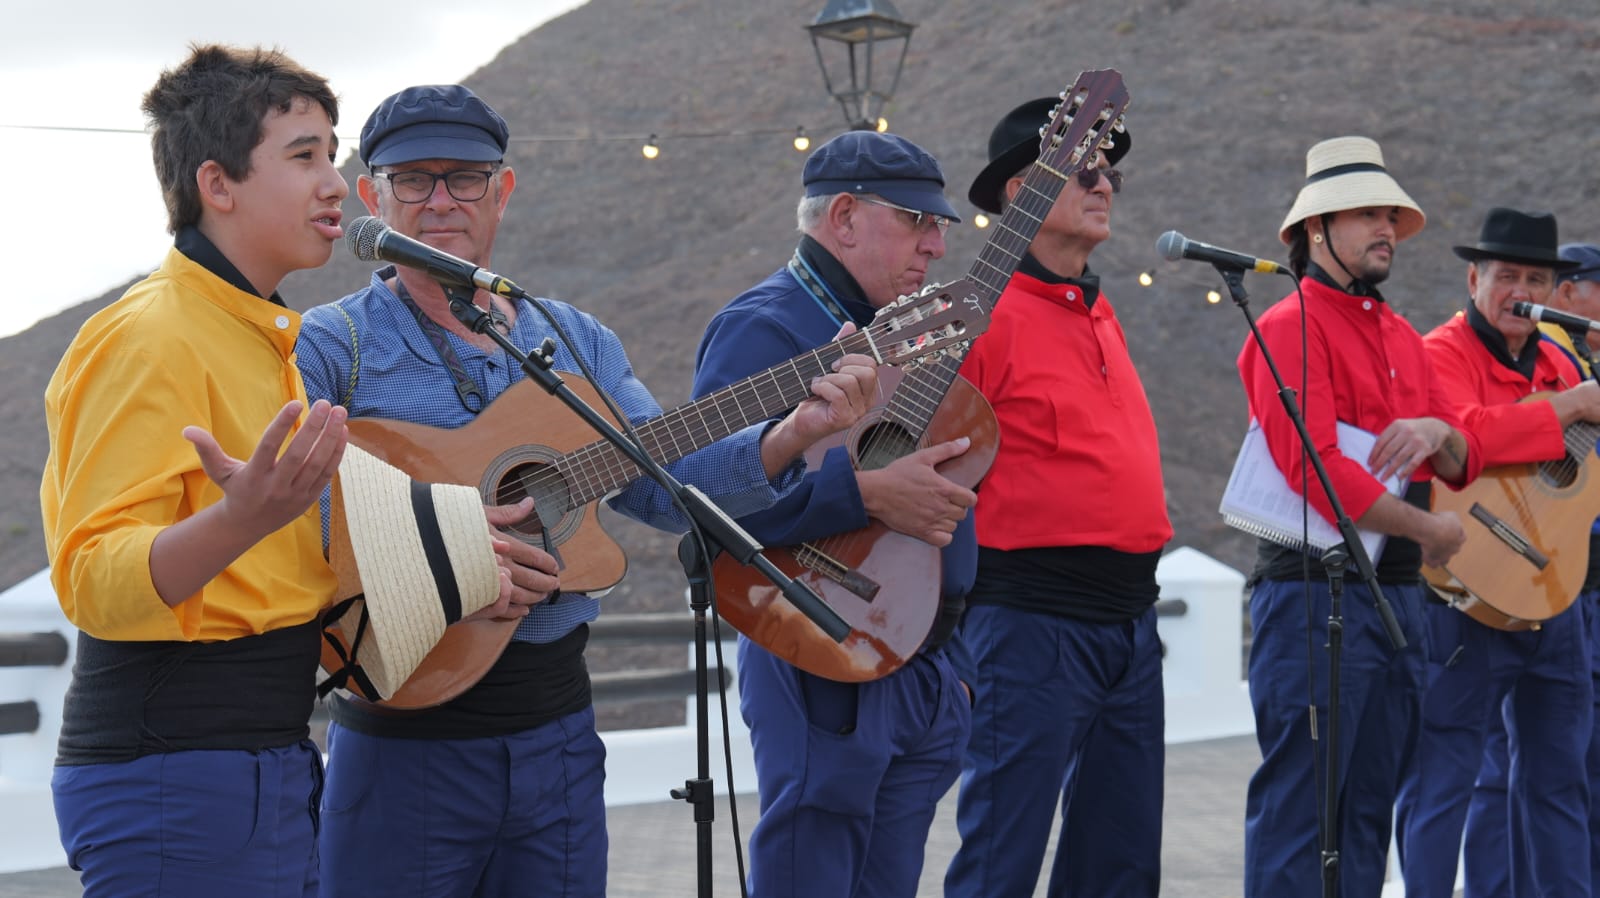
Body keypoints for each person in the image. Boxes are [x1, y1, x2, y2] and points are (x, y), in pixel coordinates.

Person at [294, 84, 878, 898]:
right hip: (403, 739)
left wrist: (795, 433)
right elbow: (296, 507)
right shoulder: (334, 344)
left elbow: (663, 489)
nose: (440, 201)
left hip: (558, 737)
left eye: (465, 178)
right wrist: (451, 550)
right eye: (413, 179)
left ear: (502, 191)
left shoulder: (572, 337)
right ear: (372, 195)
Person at [39, 44, 354, 897]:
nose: (337, 183)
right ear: (217, 184)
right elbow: (92, 579)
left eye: (334, 154)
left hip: (265, 762)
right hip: (172, 779)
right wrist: (239, 519)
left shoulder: (264, 336)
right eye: (304, 156)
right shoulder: (148, 335)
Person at [689, 130, 977, 898]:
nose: (937, 245)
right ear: (844, 216)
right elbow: (710, 508)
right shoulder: (763, 327)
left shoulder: (907, 330)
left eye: (940, 225)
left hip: (922, 662)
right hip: (823, 661)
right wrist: (863, 493)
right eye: (918, 220)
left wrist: (956, 673)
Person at [1234, 135, 1478, 898]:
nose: (1386, 228)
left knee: (1370, 810)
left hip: (1396, 596)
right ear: (1317, 228)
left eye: (1389, 216)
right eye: (1367, 214)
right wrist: (1431, 532)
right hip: (1313, 593)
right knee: (1303, 812)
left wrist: (1437, 430)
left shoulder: (1404, 334)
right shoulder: (1288, 325)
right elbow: (1316, 470)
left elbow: (1458, 457)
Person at [941, 96, 1173, 898]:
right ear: (1022, 191)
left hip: (1130, 622)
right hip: (1029, 627)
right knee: (1002, 857)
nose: (1104, 184)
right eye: (1084, 171)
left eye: (1110, 173)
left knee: (1123, 861)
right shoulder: (978, 318)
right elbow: (926, 472)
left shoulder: (1100, 311)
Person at [1395, 208, 1595, 898]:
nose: (1521, 291)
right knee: (1443, 779)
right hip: (1464, 593)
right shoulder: (1439, 352)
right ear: (1473, 280)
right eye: (1506, 275)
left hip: (1554, 592)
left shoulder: (1563, 361)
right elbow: (1465, 437)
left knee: (1559, 780)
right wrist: (1571, 409)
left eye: (1536, 280)